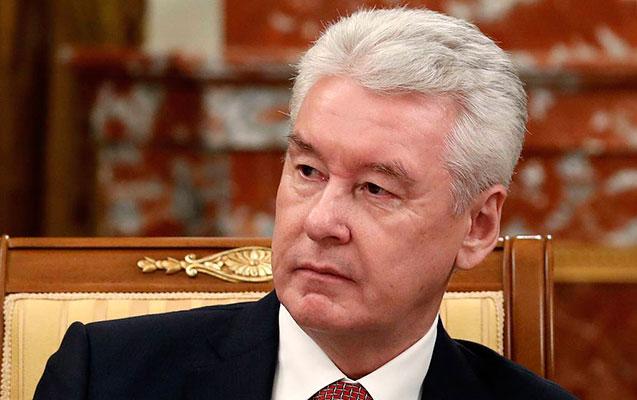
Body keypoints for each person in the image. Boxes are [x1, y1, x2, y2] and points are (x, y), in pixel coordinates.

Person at [34, 7, 576, 400]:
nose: (320, 222)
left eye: (375, 189)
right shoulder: (104, 378)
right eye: (309, 171)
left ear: (477, 226)